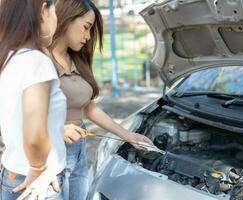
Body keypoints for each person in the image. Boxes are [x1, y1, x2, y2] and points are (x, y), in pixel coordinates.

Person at [49, 0, 153, 199]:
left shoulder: (76, 59)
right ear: (66, 18)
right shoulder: (39, 61)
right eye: (86, 27)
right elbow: (16, 111)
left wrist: (128, 135)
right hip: (50, 152)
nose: (88, 37)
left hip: (77, 151)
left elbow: (89, 108)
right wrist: (57, 129)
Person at [0, 0, 67, 199]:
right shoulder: (36, 62)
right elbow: (35, 136)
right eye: (54, 10)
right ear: (43, 10)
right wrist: (39, 168)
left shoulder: (10, 58)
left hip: (13, 172)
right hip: (36, 180)